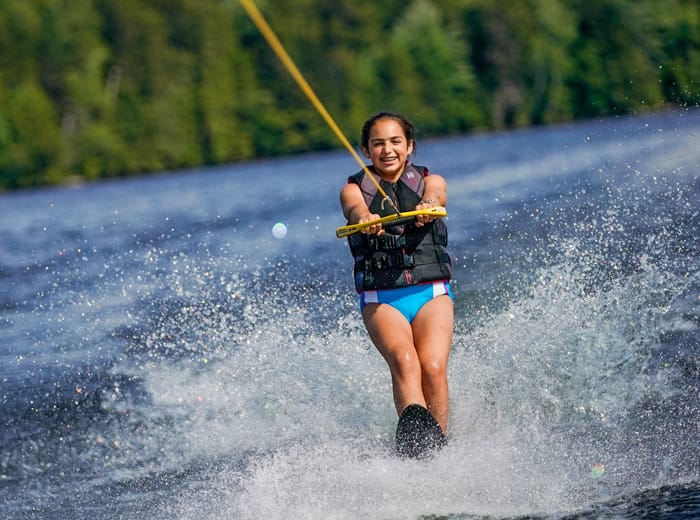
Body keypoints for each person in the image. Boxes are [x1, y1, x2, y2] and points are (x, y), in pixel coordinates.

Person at [339, 111, 454, 444]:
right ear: (366, 149)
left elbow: (437, 194)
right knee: (405, 361)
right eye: (378, 143)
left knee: (432, 366)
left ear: (410, 146)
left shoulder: (431, 181)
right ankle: (418, 444)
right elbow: (354, 210)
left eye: (395, 142)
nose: (387, 150)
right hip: (382, 298)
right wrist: (366, 218)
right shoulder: (353, 191)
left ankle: (441, 443)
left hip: (431, 292)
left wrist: (428, 206)